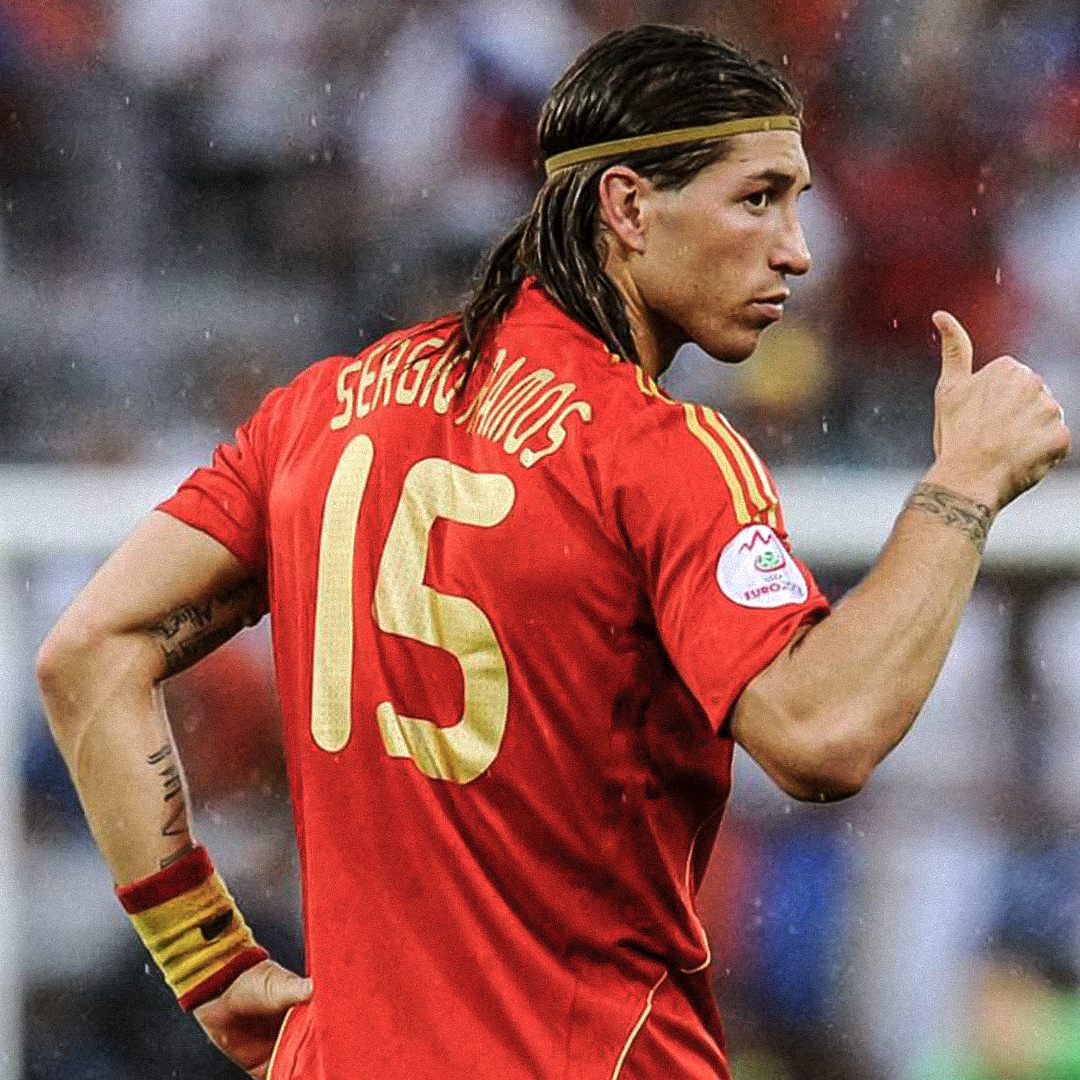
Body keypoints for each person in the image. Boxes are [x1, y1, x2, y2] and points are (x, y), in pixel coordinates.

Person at [35, 23, 1069, 1080]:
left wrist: (203, 953)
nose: (796, 250)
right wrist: (965, 483)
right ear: (628, 206)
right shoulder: (655, 453)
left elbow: (86, 653)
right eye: (758, 199)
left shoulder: (319, 411)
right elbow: (822, 735)